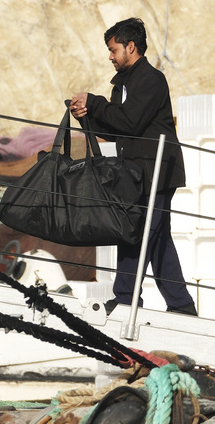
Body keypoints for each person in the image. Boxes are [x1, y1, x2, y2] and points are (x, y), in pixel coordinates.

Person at [70, 18, 197, 317]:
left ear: (131, 46)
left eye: (114, 50)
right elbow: (118, 131)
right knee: (156, 238)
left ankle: (126, 299)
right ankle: (181, 306)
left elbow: (130, 121)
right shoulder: (124, 83)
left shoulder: (151, 80)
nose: (110, 56)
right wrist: (85, 115)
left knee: (136, 233)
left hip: (156, 174)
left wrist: (96, 103)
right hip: (136, 174)